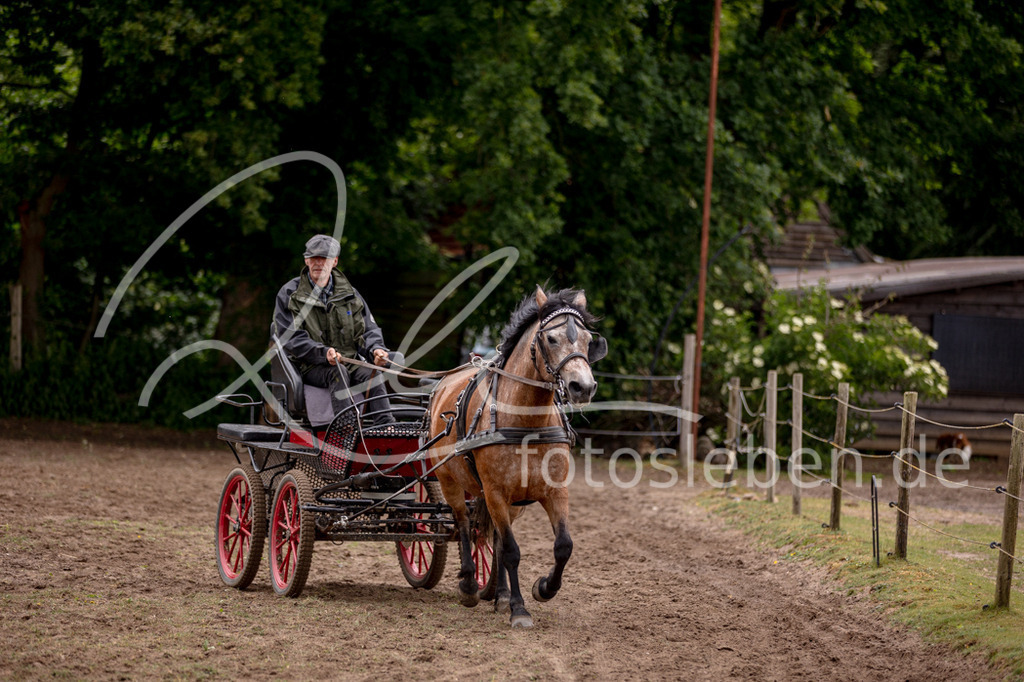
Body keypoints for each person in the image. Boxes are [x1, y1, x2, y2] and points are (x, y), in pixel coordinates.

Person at [272, 234, 395, 424]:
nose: (318, 263)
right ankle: (345, 429)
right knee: (337, 371)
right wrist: (323, 353)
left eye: (325, 259)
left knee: (373, 374)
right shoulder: (289, 294)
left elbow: (367, 330)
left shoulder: (351, 295)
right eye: (314, 258)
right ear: (306, 260)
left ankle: (387, 427)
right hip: (310, 366)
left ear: (335, 261)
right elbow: (291, 338)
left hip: (349, 361)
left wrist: (376, 349)